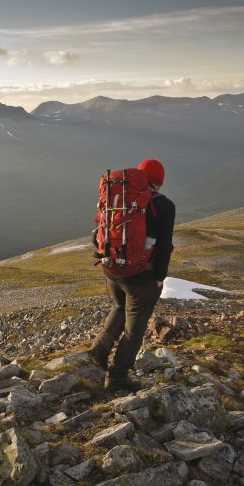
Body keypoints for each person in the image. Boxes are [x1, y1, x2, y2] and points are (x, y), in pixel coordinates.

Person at [89, 158, 175, 392]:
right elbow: (165, 246)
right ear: (160, 181)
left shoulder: (119, 197)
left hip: (111, 267)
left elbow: (96, 233)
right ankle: (117, 378)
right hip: (141, 276)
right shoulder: (163, 205)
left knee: (119, 308)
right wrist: (160, 276)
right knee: (134, 330)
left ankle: (97, 354)